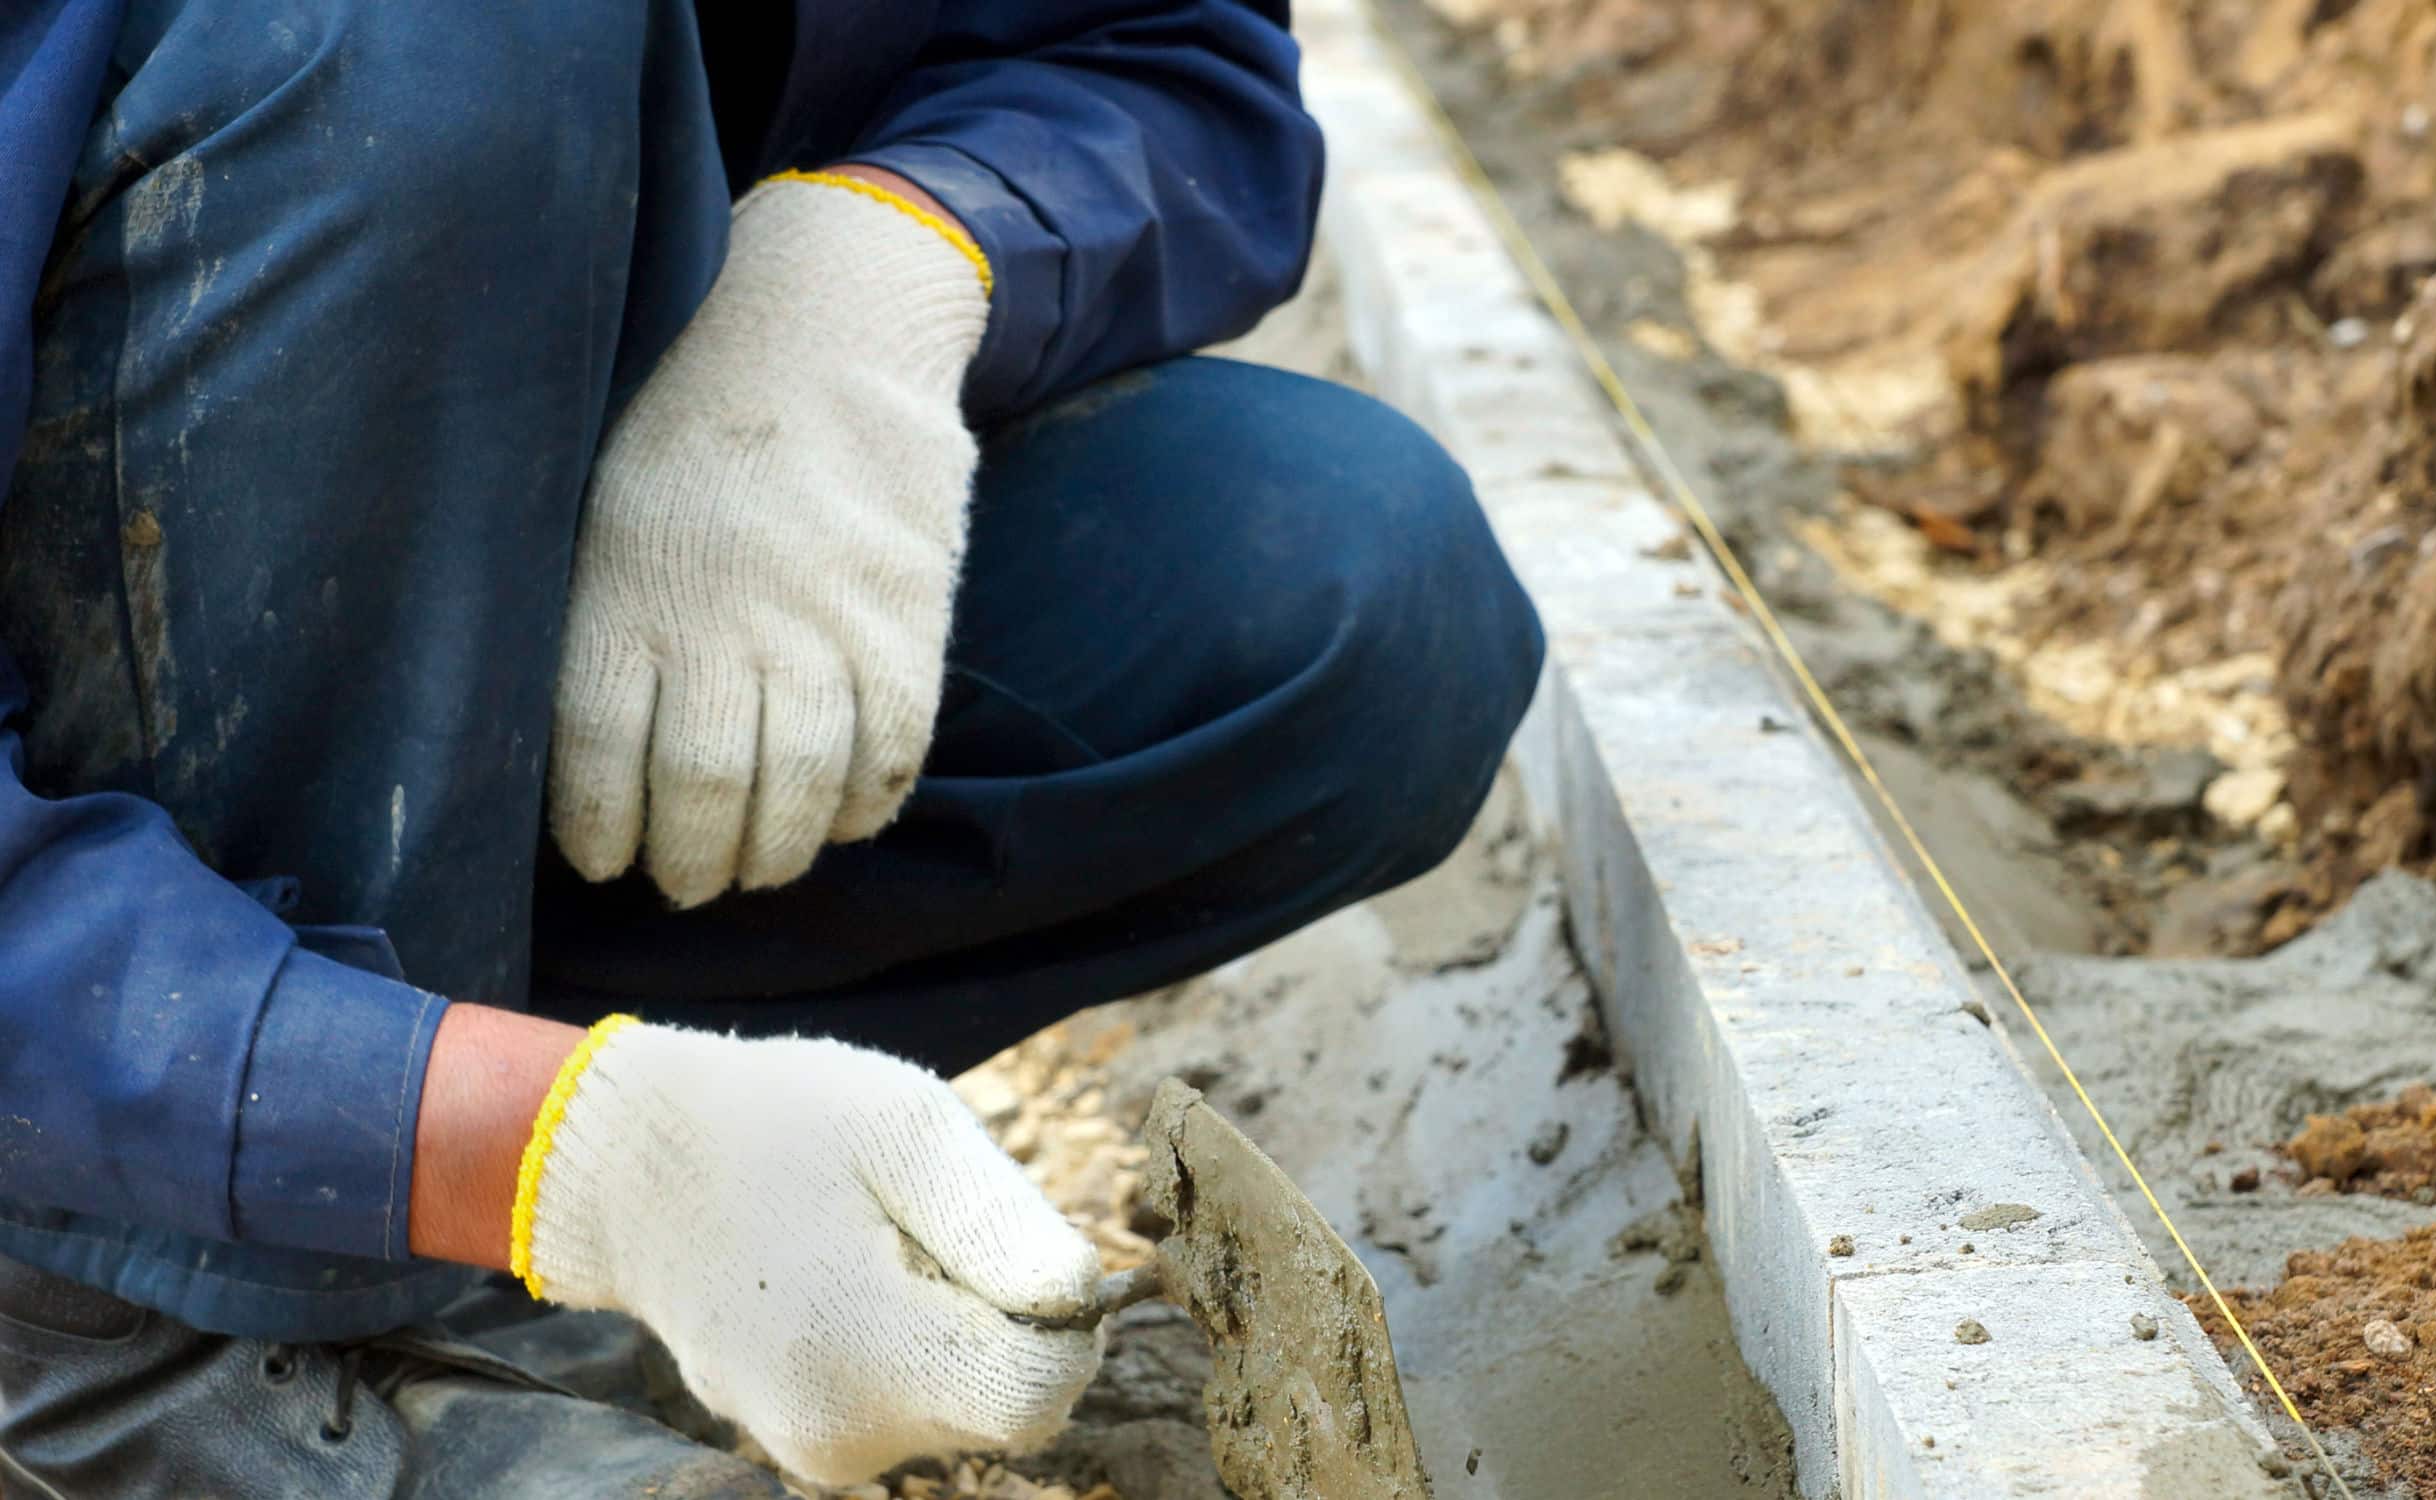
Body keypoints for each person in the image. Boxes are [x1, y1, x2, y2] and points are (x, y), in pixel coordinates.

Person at [0, 0, 1544, 1493]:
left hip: (479, 609)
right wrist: (572, 1151)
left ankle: (445, 1193)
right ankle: (129, 1321)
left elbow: (1155, 49)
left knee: (1345, 595)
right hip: (64, 836)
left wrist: (883, 263)